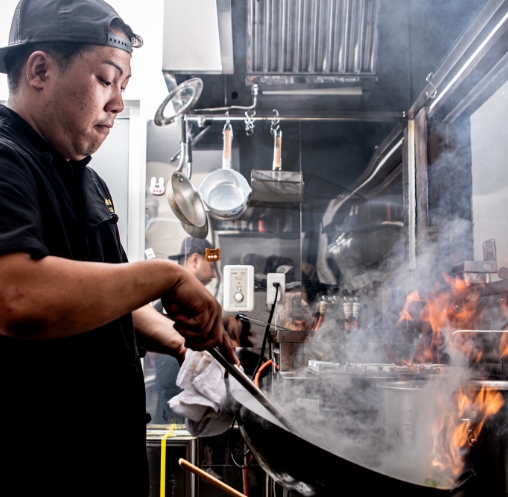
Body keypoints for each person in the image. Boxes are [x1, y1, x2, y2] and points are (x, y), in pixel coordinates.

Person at [0, 1, 236, 496]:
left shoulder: (87, 182)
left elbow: (106, 304)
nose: (116, 103)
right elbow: (18, 297)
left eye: (124, 87)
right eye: (106, 79)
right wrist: (165, 276)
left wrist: (181, 343)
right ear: (39, 69)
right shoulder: (7, 160)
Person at [150, 237, 245, 423]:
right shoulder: (172, 304)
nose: (214, 275)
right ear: (195, 260)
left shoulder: (170, 303)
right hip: (177, 403)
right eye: (211, 266)